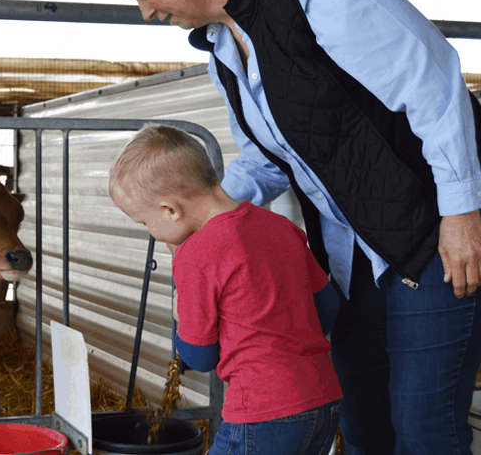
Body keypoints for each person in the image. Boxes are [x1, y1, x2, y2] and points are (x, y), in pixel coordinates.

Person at [100, 0, 481, 454]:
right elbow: (269, 158)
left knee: (423, 425)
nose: (145, 13)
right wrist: (209, 221)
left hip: (434, 225)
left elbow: (430, 79)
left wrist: (462, 211)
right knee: (363, 424)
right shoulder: (223, 50)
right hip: (356, 248)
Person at [109, 124, 343, 455]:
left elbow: (198, 356)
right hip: (324, 401)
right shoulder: (280, 227)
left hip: (261, 413)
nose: (150, 232)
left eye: (144, 224)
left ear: (170, 210)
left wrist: (181, 316)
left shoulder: (195, 255)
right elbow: (328, 307)